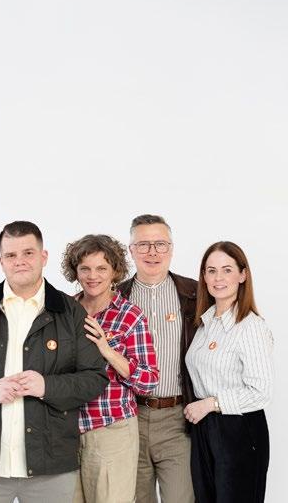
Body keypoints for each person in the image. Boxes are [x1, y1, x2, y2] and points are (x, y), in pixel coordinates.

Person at [0, 221, 108, 503]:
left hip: (50, 465)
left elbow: (95, 377)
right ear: (1, 261)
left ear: (43, 256)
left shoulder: (70, 312)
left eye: (28, 253)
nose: (20, 261)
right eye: (11, 255)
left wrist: (46, 386)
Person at [61, 234, 159, 503]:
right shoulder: (64, 311)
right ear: (75, 271)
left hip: (111, 430)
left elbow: (149, 380)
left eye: (101, 268)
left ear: (115, 271)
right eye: (85, 268)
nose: (93, 276)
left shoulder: (129, 316)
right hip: (66, 431)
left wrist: (107, 350)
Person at [184, 241, 273, 503]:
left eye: (227, 270)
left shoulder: (250, 327)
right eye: (211, 271)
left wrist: (210, 404)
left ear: (242, 275)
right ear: (204, 276)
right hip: (204, 428)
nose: (218, 278)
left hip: (238, 429)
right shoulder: (205, 323)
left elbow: (261, 392)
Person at [117, 214, 197, 503]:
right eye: (143, 244)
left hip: (178, 418)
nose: (152, 252)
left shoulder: (194, 294)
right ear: (131, 250)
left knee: (181, 498)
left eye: (160, 244)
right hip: (129, 417)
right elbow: (73, 308)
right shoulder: (115, 296)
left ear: (171, 249)